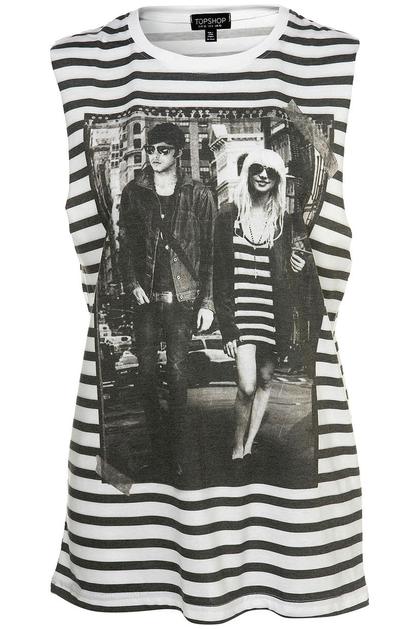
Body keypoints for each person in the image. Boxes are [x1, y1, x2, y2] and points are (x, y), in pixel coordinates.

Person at [118, 122, 216, 481]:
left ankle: (175, 455)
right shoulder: (133, 192)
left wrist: (207, 302)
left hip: (182, 299)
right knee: (145, 378)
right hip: (145, 299)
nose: (155, 156)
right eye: (151, 149)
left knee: (177, 377)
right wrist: (131, 282)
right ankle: (159, 450)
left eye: (163, 150)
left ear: (177, 153)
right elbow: (124, 243)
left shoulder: (198, 194)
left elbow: (211, 252)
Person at [214, 148, 307, 460]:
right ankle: (236, 442)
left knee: (265, 380)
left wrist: (296, 267)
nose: (264, 175)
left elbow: (289, 277)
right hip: (242, 315)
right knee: (247, 385)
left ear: (278, 179)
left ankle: (250, 443)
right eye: (258, 169)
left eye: (271, 171)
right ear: (248, 173)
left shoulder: (283, 223)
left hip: (272, 315)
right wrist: (227, 329)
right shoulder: (228, 217)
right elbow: (220, 277)